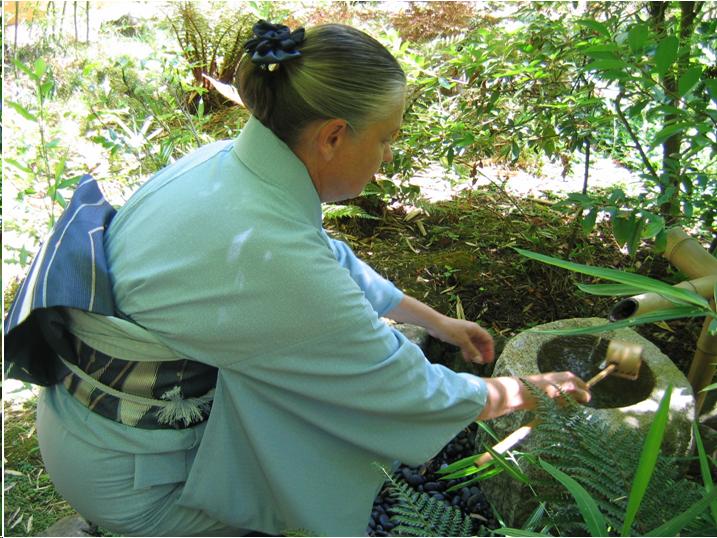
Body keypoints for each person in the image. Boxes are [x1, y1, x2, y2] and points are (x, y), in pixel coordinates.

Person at [4, 21, 590, 537]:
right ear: (333, 136)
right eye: (386, 137)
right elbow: (406, 392)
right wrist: (528, 391)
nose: (388, 155)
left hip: (85, 429)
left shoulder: (221, 167)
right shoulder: (270, 259)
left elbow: (324, 257)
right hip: (143, 482)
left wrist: (434, 321)